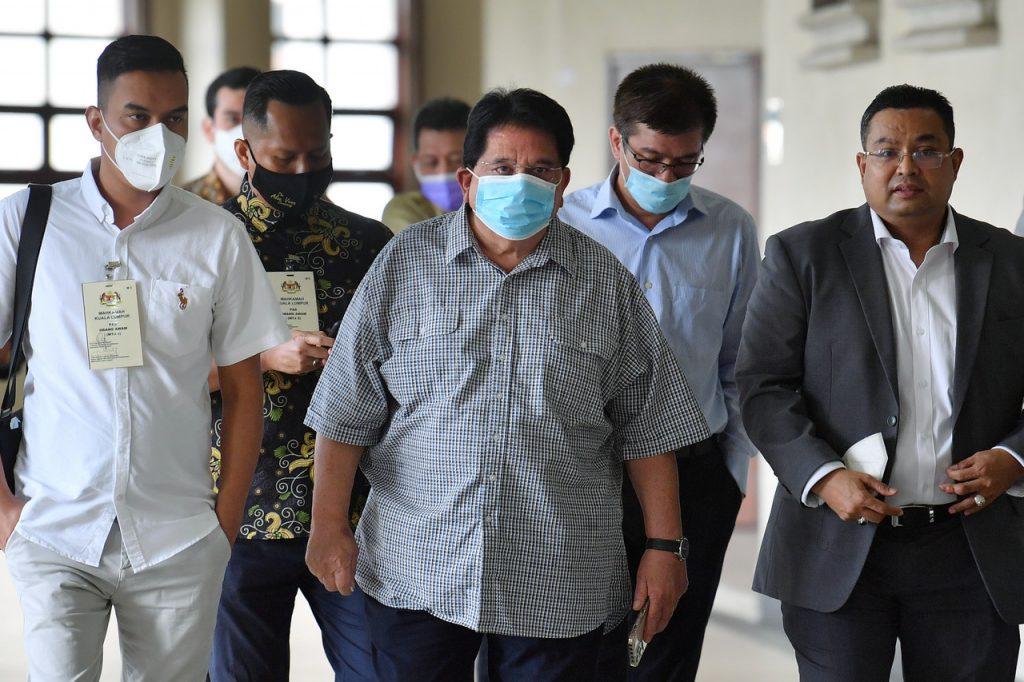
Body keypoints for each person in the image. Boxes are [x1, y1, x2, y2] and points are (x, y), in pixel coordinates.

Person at [303, 87, 711, 681]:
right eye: (503, 167)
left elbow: (649, 427)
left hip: (559, 570)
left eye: (539, 169)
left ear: (563, 181)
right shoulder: (406, 265)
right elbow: (346, 410)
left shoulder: (603, 283)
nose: (521, 182)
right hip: (418, 562)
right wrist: (328, 526)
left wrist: (664, 548)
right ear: (469, 180)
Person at [0, 35, 290, 680]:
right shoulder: (27, 221)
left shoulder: (217, 235)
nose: (159, 134)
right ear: (96, 120)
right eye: (138, 116)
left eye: (175, 117)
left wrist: (226, 519)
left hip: (178, 537)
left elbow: (245, 387)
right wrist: (2, 506)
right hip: (53, 526)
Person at [737, 84, 1024, 680]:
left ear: (955, 162)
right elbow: (764, 386)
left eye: (925, 150)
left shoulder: (1012, 262)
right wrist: (823, 475)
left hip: (970, 550)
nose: (905, 167)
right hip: (839, 544)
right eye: (887, 151)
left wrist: (1013, 457)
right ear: (862, 164)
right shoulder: (802, 255)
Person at [560, 63, 759, 682]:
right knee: (576, 645)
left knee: (667, 650)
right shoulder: (562, 225)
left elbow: (742, 363)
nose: (665, 176)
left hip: (694, 468)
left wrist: (729, 469)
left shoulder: (728, 230)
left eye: (683, 163)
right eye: (649, 160)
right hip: (581, 467)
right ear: (617, 142)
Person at [207, 70, 393, 681]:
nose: (304, 168)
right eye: (285, 157)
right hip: (234, 508)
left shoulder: (367, 244)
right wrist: (261, 357)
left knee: (377, 668)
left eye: (318, 154)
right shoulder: (202, 241)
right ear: (245, 152)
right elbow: (154, 372)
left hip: (348, 510)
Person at [380, 96, 470, 233]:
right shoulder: (403, 210)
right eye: (431, 162)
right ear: (416, 164)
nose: (443, 171)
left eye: (457, 160)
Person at [182, 66, 261, 205]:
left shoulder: (294, 201)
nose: (244, 132)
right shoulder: (182, 205)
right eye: (232, 119)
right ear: (208, 129)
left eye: (255, 119)